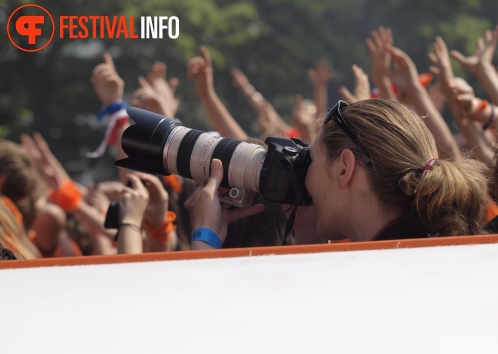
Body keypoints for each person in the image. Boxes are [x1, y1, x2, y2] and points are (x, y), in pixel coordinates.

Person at [190, 98, 489, 249]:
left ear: (344, 168)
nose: (304, 175)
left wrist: (206, 236)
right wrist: (307, 236)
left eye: (312, 160)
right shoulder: (424, 250)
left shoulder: (379, 272)